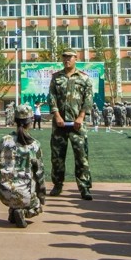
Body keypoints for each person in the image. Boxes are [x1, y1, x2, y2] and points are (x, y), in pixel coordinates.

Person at [47, 48, 94, 200]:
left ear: (76, 58)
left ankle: (84, 187)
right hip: (59, 124)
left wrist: (81, 117)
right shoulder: (56, 77)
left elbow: (88, 99)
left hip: (77, 124)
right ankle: (57, 184)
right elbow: (52, 98)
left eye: (70, 57)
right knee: (57, 156)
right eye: (64, 57)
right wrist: (57, 116)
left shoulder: (84, 78)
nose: (67, 60)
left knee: (81, 156)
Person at [0, 106, 45, 226]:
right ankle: (22, 211)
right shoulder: (34, 145)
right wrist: (41, 195)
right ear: (31, 121)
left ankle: (13, 209)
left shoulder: (5, 140)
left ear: (15, 120)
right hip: (25, 193)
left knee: (15, 194)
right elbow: (40, 172)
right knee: (37, 208)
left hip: (4, 191)